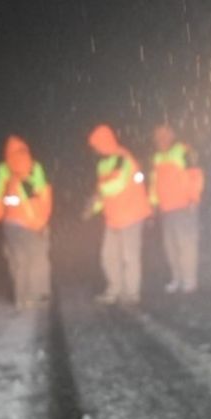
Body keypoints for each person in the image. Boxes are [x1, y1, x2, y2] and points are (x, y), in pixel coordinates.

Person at [86, 124, 152, 305]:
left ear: (103, 143)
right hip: (113, 217)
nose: (94, 150)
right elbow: (105, 193)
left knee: (129, 256)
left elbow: (118, 184)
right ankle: (115, 289)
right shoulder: (103, 164)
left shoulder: (123, 158)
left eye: (96, 145)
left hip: (131, 214)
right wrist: (94, 207)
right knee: (109, 256)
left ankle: (131, 293)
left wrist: (98, 194)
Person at [0, 135, 53, 310]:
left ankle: (21, 298)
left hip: (11, 223)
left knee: (18, 261)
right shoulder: (35, 167)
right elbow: (44, 194)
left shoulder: (2, 169)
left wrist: (1, 214)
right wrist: (42, 219)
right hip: (33, 223)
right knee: (37, 258)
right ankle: (38, 295)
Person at [149, 124, 204, 294]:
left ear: (171, 136)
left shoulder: (183, 150)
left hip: (183, 205)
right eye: (158, 137)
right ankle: (177, 278)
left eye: (164, 136)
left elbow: (196, 174)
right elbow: (154, 183)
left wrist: (193, 198)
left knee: (186, 244)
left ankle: (189, 280)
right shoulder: (157, 157)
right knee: (170, 246)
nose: (160, 140)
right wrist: (153, 203)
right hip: (166, 209)